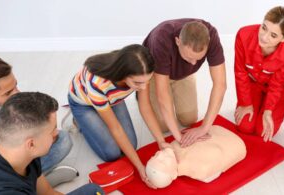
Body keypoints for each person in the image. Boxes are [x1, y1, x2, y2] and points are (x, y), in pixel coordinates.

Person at [68, 44, 168, 188]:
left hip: (112, 100)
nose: (144, 87)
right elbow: (115, 128)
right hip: (84, 104)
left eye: (147, 81)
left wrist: (161, 141)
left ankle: (96, 118)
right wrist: (140, 167)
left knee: (131, 145)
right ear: (123, 74)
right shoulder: (97, 82)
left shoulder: (141, 73)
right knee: (112, 153)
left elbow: (145, 107)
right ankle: (79, 121)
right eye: (138, 83)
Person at [0, 92, 104, 195]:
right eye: (52, 130)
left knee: (94, 191)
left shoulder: (23, 154)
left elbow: (48, 192)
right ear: (31, 144)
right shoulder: (3, 190)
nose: (57, 133)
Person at [0, 54, 78, 186]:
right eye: (7, 93)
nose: (17, 93)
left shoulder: (8, 103)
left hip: (16, 152)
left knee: (62, 140)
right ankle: (33, 185)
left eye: (15, 86)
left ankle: (35, 184)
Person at [143, 19, 227, 147]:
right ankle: (143, 94)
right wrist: (179, 137)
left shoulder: (211, 35)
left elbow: (220, 84)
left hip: (182, 74)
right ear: (178, 41)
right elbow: (163, 95)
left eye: (197, 58)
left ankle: (177, 84)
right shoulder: (161, 39)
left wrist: (204, 127)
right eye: (189, 57)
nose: (194, 63)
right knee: (163, 126)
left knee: (189, 119)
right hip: (156, 74)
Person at [234, 6, 284, 142]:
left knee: (262, 131)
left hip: (281, 87)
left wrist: (268, 111)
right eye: (264, 27)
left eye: (273, 35)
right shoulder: (243, 35)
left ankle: (265, 108)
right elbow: (240, 72)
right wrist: (246, 103)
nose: (264, 37)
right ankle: (256, 104)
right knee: (245, 126)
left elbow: (277, 83)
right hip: (254, 82)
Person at [146, 125, 246, 188]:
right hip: (235, 143)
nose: (160, 154)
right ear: (173, 175)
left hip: (216, 130)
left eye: (155, 156)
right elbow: (217, 155)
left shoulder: (171, 147)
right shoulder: (200, 170)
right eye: (162, 161)